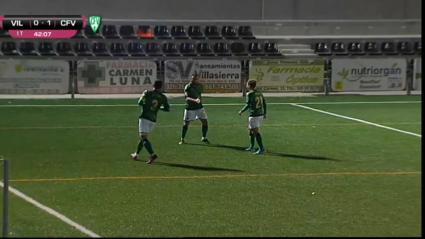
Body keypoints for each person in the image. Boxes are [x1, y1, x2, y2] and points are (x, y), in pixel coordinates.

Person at [131, 80, 170, 164]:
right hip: (153, 119)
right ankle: (136, 154)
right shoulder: (163, 97)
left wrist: (145, 103)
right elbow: (167, 108)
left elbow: (140, 102)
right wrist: (159, 108)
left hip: (145, 117)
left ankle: (152, 154)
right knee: (143, 138)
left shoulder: (147, 93)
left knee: (143, 137)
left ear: (153, 85)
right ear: (161, 87)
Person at [179, 74, 209, 144]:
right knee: (186, 123)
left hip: (199, 107)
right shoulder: (188, 87)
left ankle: (204, 137)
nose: (194, 80)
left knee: (205, 122)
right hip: (190, 108)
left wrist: (199, 101)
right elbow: (186, 97)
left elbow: (199, 95)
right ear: (191, 79)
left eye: (195, 79)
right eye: (193, 79)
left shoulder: (200, 86)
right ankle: (182, 138)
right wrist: (195, 100)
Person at [238, 79, 267, 155]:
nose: (246, 85)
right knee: (250, 130)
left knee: (256, 132)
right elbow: (264, 103)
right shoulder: (259, 93)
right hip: (260, 114)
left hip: (254, 115)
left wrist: (241, 110)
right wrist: (265, 113)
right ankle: (252, 146)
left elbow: (248, 104)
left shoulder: (250, 94)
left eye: (247, 84)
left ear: (249, 85)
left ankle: (261, 149)